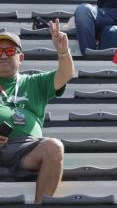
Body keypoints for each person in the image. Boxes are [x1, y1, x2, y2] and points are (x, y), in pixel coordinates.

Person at [0, 27, 76, 204]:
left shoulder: (34, 82)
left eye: (10, 51)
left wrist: (63, 52)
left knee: (54, 147)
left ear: (21, 58)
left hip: (26, 147)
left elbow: (65, 75)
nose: (3, 56)